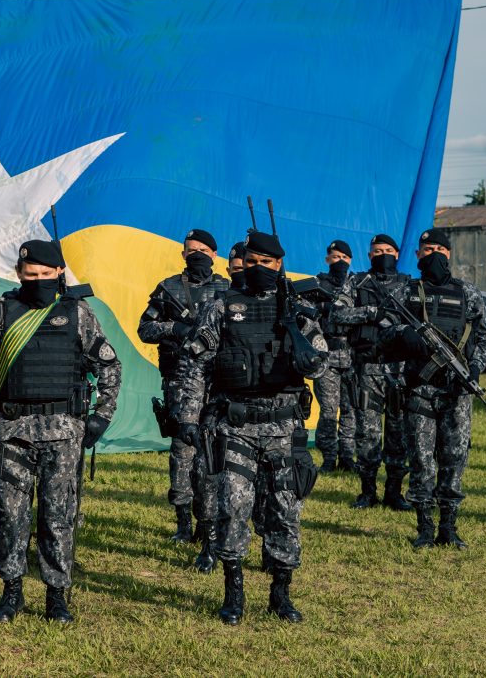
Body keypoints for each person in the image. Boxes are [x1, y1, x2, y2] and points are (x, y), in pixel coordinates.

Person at [0, 240, 121, 624]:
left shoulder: (78, 313)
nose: (37, 280)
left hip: (63, 432)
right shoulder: (1, 311)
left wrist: (101, 417)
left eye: (45, 274)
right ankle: (12, 592)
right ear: (19, 273)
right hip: (14, 431)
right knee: (11, 514)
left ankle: (57, 595)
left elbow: (109, 367)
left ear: (59, 273)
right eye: (30, 274)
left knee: (58, 515)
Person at [176, 230, 327, 625]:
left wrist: (294, 328)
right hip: (235, 425)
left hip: (283, 428)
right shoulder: (222, 307)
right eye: (253, 262)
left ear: (280, 265)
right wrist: (189, 419)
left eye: (268, 263)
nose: (260, 269)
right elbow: (195, 365)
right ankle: (234, 592)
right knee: (233, 506)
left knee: (285, 511)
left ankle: (280, 594)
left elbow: (319, 364)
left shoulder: (297, 310)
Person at [381, 228, 486, 549]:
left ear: (448, 254)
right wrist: (405, 334)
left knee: (454, 457)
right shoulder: (406, 292)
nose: (432, 255)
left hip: (456, 391)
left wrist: (474, 367)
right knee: (421, 458)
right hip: (420, 388)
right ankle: (425, 528)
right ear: (418, 254)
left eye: (438, 249)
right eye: (426, 249)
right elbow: (385, 329)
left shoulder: (467, 293)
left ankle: (449, 526)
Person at [136, 229, 228, 572]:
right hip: (178, 382)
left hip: (218, 384)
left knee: (215, 457)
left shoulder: (227, 290)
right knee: (182, 454)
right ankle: (183, 525)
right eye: (191, 251)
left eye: (203, 250)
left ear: (214, 255)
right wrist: (175, 329)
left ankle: (211, 527)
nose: (197, 256)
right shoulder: (169, 288)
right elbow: (145, 329)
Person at [331, 234, 411, 510]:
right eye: (377, 251)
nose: (383, 255)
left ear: (397, 254)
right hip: (366, 367)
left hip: (400, 369)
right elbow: (337, 314)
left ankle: (394, 492)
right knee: (367, 432)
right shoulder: (357, 282)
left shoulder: (409, 286)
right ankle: (367, 491)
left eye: (388, 250)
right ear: (369, 255)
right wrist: (371, 313)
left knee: (398, 432)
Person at [311, 240, 357, 473]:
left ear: (350, 260)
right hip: (327, 356)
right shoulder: (317, 285)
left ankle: (348, 456)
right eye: (334, 257)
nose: (339, 261)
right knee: (329, 410)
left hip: (352, 356)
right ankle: (329, 456)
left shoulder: (358, 285)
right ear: (327, 259)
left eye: (343, 257)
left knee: (350, 408)